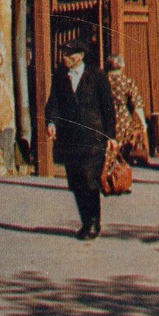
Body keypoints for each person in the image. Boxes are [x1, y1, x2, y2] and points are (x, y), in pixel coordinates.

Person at [44, 40, 118, 240]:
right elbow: (54, 102)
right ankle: (85, 221)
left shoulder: (97, 76)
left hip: (93, 136)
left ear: (81, 56)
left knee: (89, 179)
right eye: (64, 55)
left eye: (69, 55)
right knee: (76, 181)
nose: (65, 59)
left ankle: (94, 222)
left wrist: (111, 135)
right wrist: (51, 122)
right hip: (69, 138)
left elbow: (108, 107)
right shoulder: (60, 76)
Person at [105, 54, 150, 170]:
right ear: (121, 66)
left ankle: (109, 176)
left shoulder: (103, 81)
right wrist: (143, 122)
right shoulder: (127, 82)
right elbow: (137, 104)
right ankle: (121, 178)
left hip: (106, 116)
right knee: (123, 149)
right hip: (123, 118)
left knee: (108, 149)